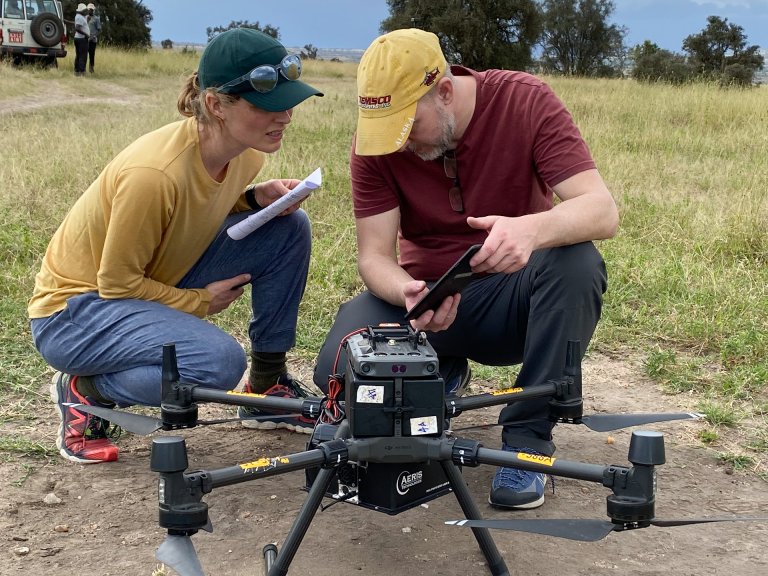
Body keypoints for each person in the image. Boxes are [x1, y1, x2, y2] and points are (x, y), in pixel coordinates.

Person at [313, 29, 619, 510]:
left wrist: (531, 231)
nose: (400, 145)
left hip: (512, 299)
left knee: (577, 262)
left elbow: (602, 211)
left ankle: (527, 439)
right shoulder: (374, 146)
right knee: (333, 363)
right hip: (425, 302)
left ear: (446, 92)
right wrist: (407, 291)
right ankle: (438, 373)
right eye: (385, 130)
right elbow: (374, 256)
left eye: (408, 127)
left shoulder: (524, 101)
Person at [29, 28, 323, 464]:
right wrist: (200, 300)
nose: (285, 116)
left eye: (289, 101)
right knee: (218, 364)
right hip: (75, 313)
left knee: (290, 227)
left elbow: (196, 205)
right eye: (267, 105)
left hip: (147, 279)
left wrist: (255, 198)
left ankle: (266, 384)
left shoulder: (247, 152)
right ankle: (84, 389)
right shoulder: (154, 174)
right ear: (215, 105)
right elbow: (116, 283)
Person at [73, 3, 89, 76]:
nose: (85, 11)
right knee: (83, 55)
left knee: (79, 55)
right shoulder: (79, 17)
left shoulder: (81, 16)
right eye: (84, 10)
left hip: (79, 38)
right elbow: (77, 28)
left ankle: (77, 71)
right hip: (82, 39)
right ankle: (81, 71)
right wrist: (85, 34)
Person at [86, 2, 101, 74]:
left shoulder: (96, 18)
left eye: (91, 10)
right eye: (89, 9)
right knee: (84, 54)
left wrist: (94, 36)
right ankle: (83, 68)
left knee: (92, 55)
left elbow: (99, 30)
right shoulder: (85, 17)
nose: (90, 11)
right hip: (85, 39)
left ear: (93, 10)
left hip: (93, 40)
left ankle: (91, 68)